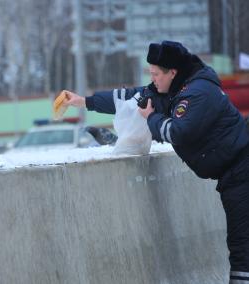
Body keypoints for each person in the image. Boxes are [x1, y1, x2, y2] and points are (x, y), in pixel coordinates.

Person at [62, 40, 249, 283]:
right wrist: (84, 101)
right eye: (150, 73)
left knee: (242, 243)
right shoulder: (170, 89)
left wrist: (151, 117)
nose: (153, 79)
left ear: (173, 72)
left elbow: (178, 132)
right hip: (232, 174)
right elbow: (128, 98)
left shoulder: (198, 92)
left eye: (156, 74)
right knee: (241, 241)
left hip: (242, 169)